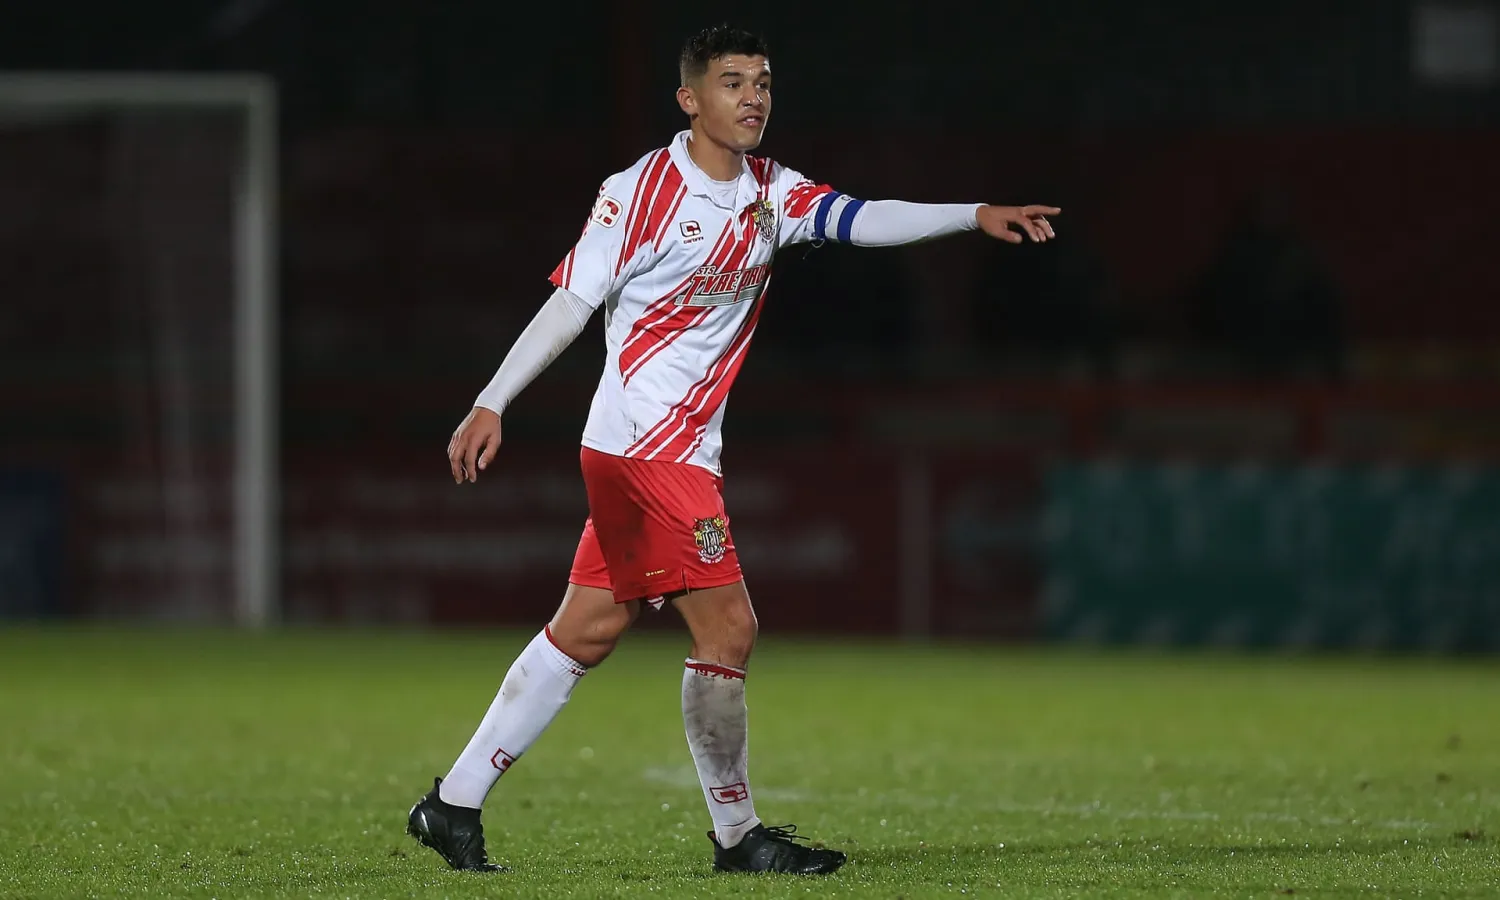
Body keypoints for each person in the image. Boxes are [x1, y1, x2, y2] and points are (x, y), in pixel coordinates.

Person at [406, 23, 1059, 877]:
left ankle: (451, 804)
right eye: (732, 81)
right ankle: (737, 837)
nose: (753, 96)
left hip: (667, 452)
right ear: (690, 98)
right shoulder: (638, 191)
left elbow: (858, 218)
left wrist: (969, 215)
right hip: (647, 452)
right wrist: (493, 398)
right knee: (730, 626)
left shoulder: (770, 192)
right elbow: (571, 302)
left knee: (589, 628)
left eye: (763, 81)